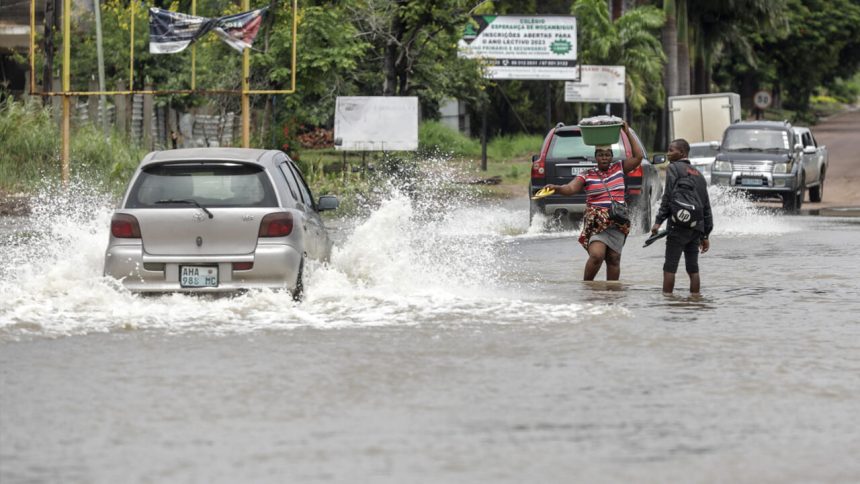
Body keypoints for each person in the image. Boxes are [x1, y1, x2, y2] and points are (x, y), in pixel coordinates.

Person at [544, 121, 643, 281]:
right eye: (601, 155)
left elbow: (638, 156)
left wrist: (627, 133)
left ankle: (611, 293)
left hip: (617, 221)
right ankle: (587, 288)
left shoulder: (619, 168)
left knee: (613, 259)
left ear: (612, 156)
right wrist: (556, 188)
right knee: (597, 255)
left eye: (607, 154)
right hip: (597, 222)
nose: (604, 157)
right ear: (595, 157)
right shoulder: (587, 174)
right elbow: (570, 189)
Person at [650, 138, 714, 294]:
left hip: (677, 226)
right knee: (693, 269)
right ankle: (695, 301)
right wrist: (705, 235)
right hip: (696, 228)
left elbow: (668, 196)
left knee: (670, 268)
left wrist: (658, 222)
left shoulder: (673, 168)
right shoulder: (699, 174)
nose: (668, 153)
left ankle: (668, 302)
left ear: (682, 153)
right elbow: (706, 205)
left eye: (672, 150)